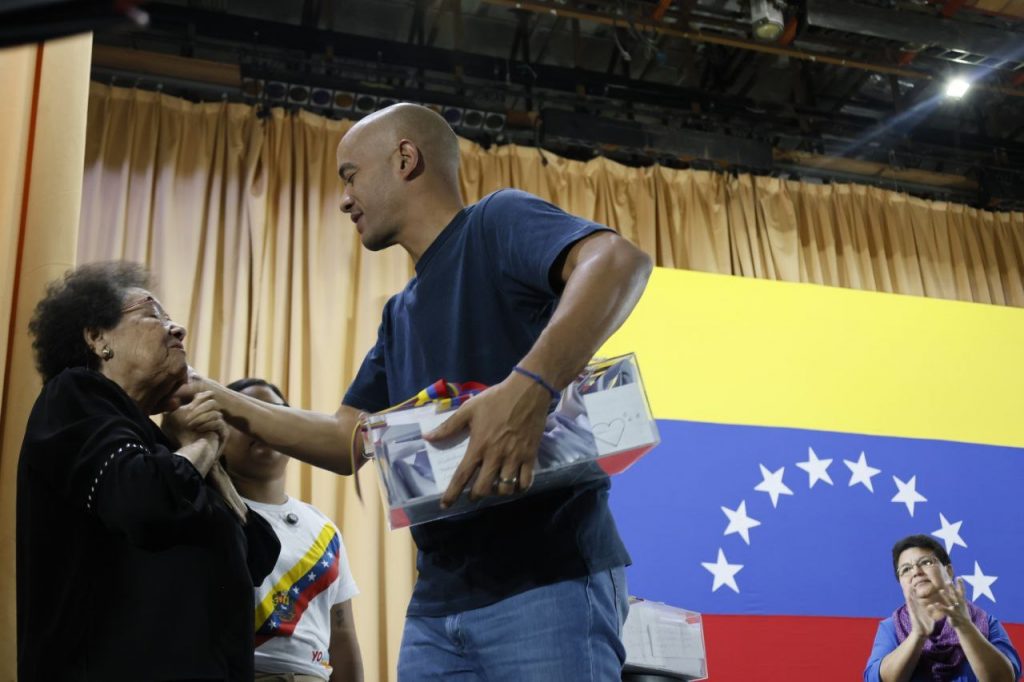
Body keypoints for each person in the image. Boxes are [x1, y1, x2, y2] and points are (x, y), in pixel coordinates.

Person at [188, 102, 653, 680]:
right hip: (436, 606)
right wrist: (214, 396)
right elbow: (346, 440)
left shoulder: (496, 222)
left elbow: (618, 261)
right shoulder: (398, 314)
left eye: (351, 176)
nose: (344, 199)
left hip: (548, 580)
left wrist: (529, 387)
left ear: (405, 158)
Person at [16, 262, 280, 682]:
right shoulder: (75, 396)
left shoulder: (165, 446)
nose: (178, 330)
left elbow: (259, 553)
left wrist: (203, 452)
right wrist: (202, 446)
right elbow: (142, 502)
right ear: (98, 338)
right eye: (153, 314)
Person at [220, 378, 363, 682]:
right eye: (244, 415)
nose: (261, 424)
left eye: (274, 413)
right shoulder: (207, 512)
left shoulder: (324, 529)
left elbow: (342, 634)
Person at [864, 534, 1021, 682]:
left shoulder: (984, 622)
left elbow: (1006, 678)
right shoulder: (891, 627)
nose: (916, 572)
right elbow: (877, 679)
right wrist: (917, 635)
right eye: (906, 569)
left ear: (948, 570)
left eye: (926, 562)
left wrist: (965, 627)